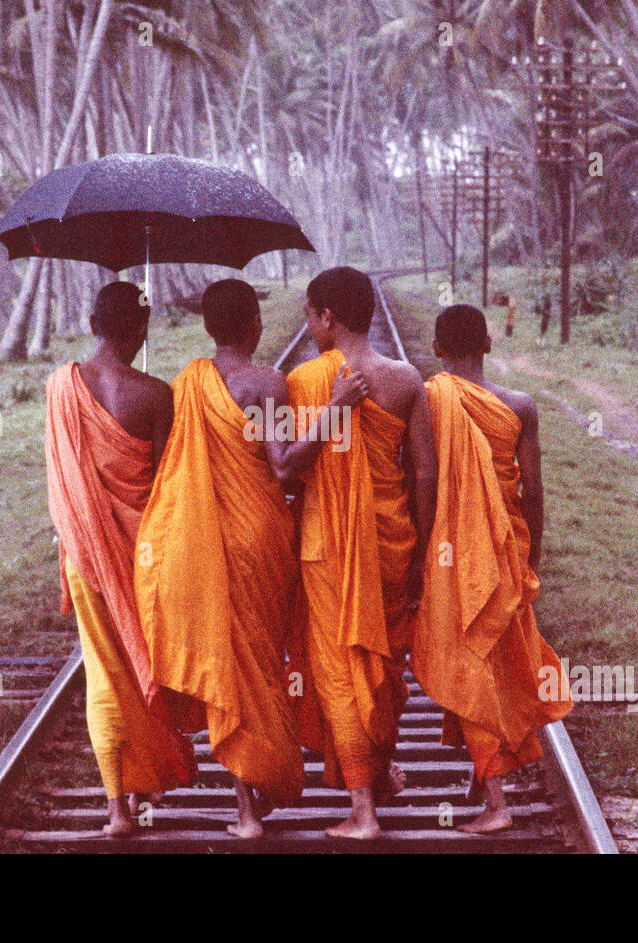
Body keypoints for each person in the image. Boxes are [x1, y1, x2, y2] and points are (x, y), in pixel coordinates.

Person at [135, 278, 369, 838]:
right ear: (255, 326)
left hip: (205, 542)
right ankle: (266, 781)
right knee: (263, 661)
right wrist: (337, 408)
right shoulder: (266, 385)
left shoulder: (186, 384)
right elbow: (286, 466)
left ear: (211, 329)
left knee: (226, 664)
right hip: (261, 538)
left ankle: (246, 810)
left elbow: (174, 472)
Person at [286, 266, 438, 840]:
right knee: (383, 664)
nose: (309, 325)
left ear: (326, 315)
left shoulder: (305, 381)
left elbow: (290, 471)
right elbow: (424, 471)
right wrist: (422, 548)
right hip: (391, 537)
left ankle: (362, 811)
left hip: (327, 547)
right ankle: (375, 771)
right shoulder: (405, 380)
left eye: (310, 314)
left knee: (340, 668)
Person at [413, 303, 573, 833]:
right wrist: (534, 554)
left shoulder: (428, 398)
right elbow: (535, 489)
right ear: (488, 345)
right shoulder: (520, 404)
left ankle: (498, 806)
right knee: (495, 653)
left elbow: (425, 478)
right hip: (505, 544)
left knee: (467, 656)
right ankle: (486, 779)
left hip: (451, 548)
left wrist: (421, 551)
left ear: (436, 350)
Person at [44, 281, 195, 837]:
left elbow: (64, 484)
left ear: (91, 324)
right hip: (146, 554)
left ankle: (119, 809)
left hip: (86, 551)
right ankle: (152, 766)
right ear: (143, 330)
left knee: (105, 672)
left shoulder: (60, 387)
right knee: (147, 658)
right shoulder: (157, 395)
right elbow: (166, 484)